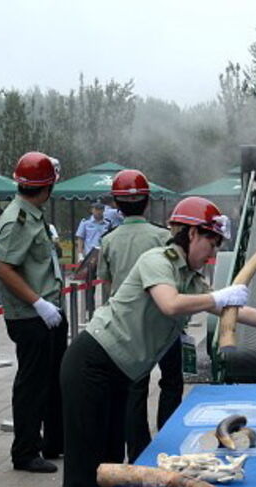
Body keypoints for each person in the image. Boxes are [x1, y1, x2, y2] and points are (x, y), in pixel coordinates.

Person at [59, 198, 256, 487]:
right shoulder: (157, 261)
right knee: (84, 469)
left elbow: (232, 308)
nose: (212, 253)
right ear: (191, 234)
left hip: (120, 374)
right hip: (92, 365)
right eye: (211, 243)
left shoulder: (189, 277)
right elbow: (170, 303)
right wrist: (218, 297)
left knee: (109, 461)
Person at [0, 151, 67, 474]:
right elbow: (4, 268)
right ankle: (25, 451)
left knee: (53, 380)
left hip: (47, 311)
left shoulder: (33, 215)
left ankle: (54, 441)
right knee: (32, 385)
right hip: (31, 315)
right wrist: (38, 302)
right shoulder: (17, 220)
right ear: (47, 187)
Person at [97, 169, 175, 461]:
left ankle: (138, 451)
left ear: (116, 204)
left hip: (128, 326)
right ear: (147, 202)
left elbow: (107, 285)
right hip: (165, 320)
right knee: (171, 382)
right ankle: (168, 443)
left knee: (134, 388)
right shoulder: (163, 236)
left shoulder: (108, 240)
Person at [75, 202, 113, 317]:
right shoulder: (85, 222)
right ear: (92, 210)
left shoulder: (108, 223)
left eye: (101, 209)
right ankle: (89, 309)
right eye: (96, 209)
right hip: (90, 257)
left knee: (107, 281)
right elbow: (80, 239)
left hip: (104, 256)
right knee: (90, 284)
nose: (98, 212)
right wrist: (80, 254)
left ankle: (108, 306)